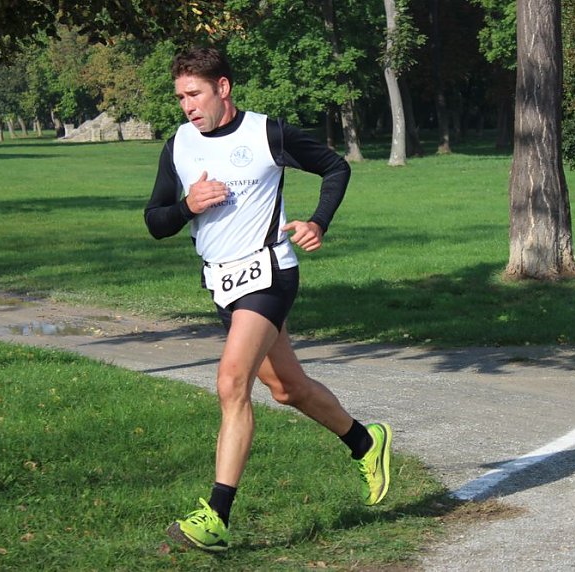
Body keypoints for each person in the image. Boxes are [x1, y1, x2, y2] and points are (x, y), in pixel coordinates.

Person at [144, 47, 392, 552]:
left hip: (269, 273)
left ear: (223, 88)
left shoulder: (267, 133)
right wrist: (187, 205)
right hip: (221, 284)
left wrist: (317, 221)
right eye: (181, 97)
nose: (187, 106)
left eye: (195, 94)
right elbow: (154, 221)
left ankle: (216, 515)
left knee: (231, 382)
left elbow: (335, 167)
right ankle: (367, 443)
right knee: (288, 389)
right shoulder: (179, 146)